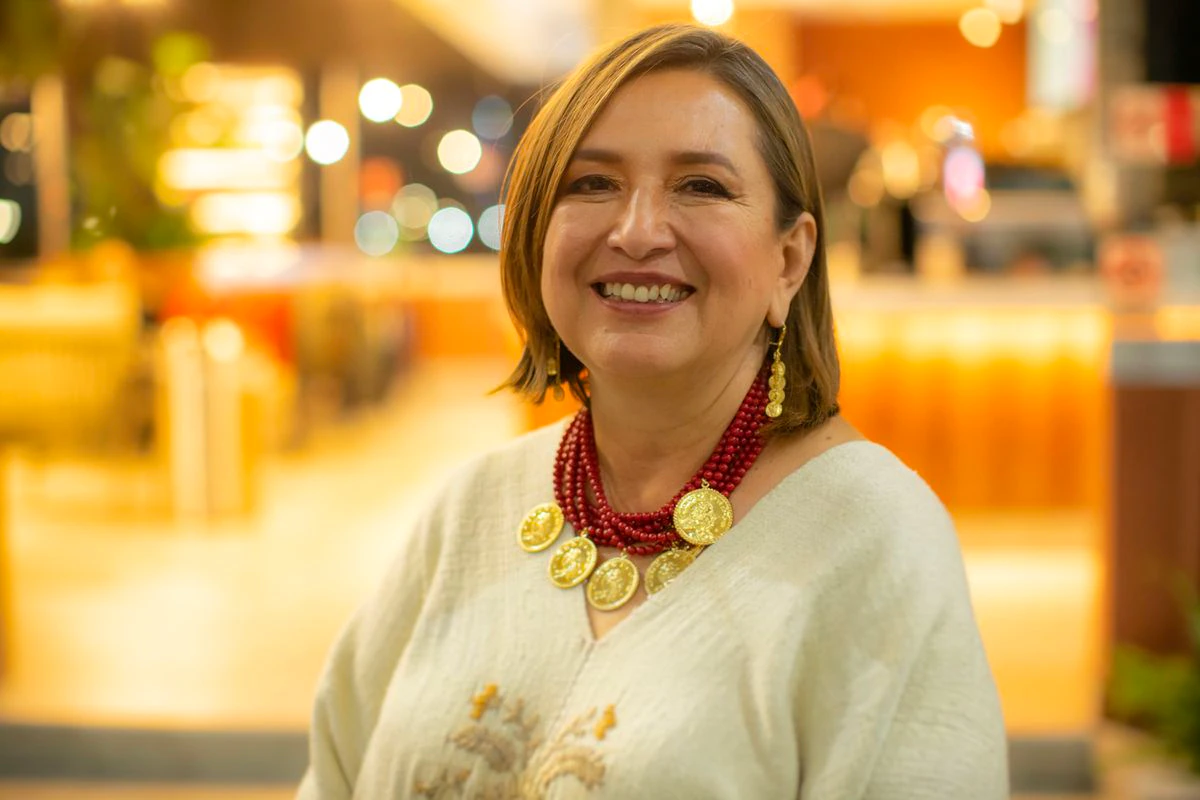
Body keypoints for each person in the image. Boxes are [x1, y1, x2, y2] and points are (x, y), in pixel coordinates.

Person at [298, 23, 1008, 800]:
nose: (637, 232)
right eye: (592, 184)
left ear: (790, 260)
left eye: (700, 186)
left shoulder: (874, 539)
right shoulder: (473, 507)